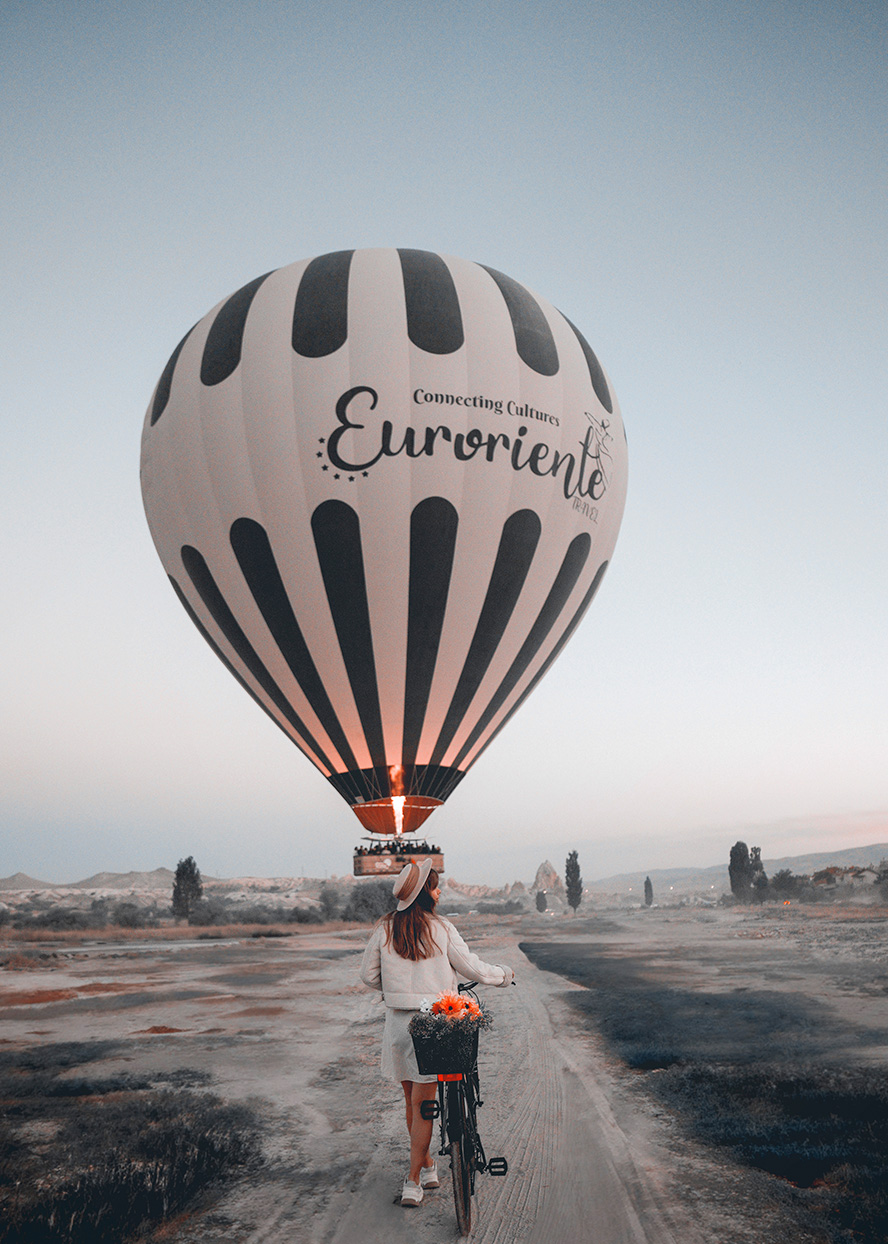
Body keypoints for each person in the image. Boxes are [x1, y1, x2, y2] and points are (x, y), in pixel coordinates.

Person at [360, 859, 514, 1207]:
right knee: (425, 1104)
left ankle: (427, 1164)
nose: (440, 890)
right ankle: (413, 1180)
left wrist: (398, 988)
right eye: (435, 886)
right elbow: (471, 966)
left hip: (400, 1027)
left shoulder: (385, 928)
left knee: (412, 1103)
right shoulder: (441, 928)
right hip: (436, 1024)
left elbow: (368, 977)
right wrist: (503, 974)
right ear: (424, 893)